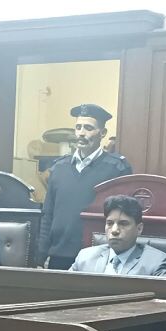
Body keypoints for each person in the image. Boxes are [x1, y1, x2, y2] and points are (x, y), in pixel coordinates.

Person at [37, 103, 133, 270]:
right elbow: (48, 215)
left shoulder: (117, 168)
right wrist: (40, 256)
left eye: (88, 128)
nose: (81, 133)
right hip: (59, 256)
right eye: (78, 127)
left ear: (102, 133)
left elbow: (125, 218)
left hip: (99, 256)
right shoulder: (59, 168)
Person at [69, 195, 166, 276]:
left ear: (139, 229)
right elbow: (65, 290)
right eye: (109, 223)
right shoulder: (85, 257)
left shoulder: (156, 262)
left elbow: (165, 295)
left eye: (123, 224)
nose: (114, 230)